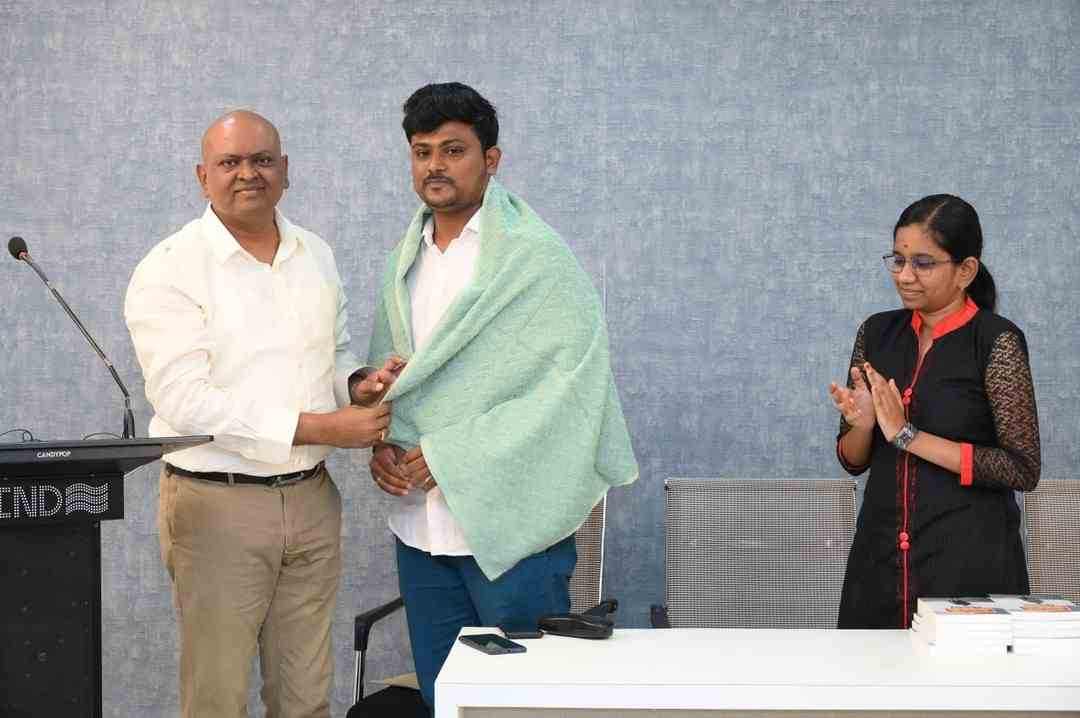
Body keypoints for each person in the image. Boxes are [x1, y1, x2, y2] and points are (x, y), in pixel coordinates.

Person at [366, 83, 638, 707]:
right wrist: (383, 443)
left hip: (515, 529)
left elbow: (571, 393)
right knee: (444, 700)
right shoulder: (402, 260)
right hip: (420, 528)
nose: (435, 165)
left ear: (491, 159)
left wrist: (451, 456)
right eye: (422, 151)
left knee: (523, 703)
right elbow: (397, 379)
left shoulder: (536, 259)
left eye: (453, 150)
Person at [125, 110, 400, 718]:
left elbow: (332, 355)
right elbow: (185, 401)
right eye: (230, 162)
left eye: (262, 160)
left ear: (286, 170)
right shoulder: (169, 267)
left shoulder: (315, 254)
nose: (248, 173)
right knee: (217, 699)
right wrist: (322, 428)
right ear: (203, 177)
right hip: (215, 506)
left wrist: (356, 385)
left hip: (311, 499)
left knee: (306, 697)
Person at [829, 193, 1041, 629]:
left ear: (966, 270)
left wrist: (908, 435)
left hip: (969, 571)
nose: (905, 276)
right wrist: (862, 426)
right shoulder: (876, 333)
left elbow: (1022, 469)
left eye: (923, 263)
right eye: (898, 260)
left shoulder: (996, 341)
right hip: (878, 568)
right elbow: (853, 460)